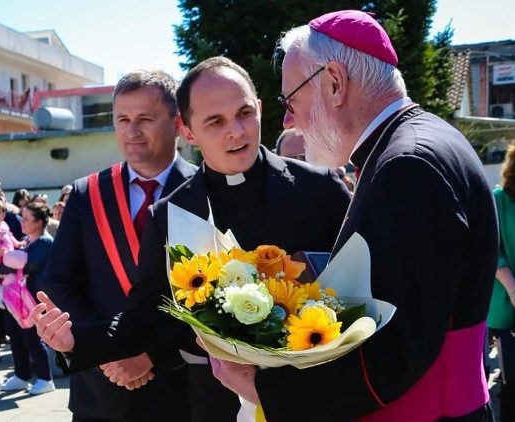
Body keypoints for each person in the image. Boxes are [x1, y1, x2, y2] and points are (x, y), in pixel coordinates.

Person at [202, 10, 498, 421]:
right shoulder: (420, 142)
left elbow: (392, 356)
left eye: (292, 100)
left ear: (336, 83)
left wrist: (259, 385)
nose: (288, 119)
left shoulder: (407, 164)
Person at [34, 58, 350, 422]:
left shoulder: (322, 191)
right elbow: (143, 316)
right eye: (215, 121)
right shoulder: (170, 212)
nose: (236, 131)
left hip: (314, 397)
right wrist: (77, 343)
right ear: (188, 131)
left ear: (260, 109)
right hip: (215, 403)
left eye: (244, 113)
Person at [41, 69, 197, 422]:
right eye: (123, 119)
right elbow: (58, 283)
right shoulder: (87, 194)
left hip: (182, 393)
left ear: (177, 123)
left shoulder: (205, 192)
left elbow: (216, 298)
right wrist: (107, 350)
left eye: (145, 119)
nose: (132, 131)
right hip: (100, 393)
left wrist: (152, 354)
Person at [0, 202, 56, 395]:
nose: (22, 222)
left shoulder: (45, 242)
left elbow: (30, 265)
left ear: (39, 222)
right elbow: (9, 265)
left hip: (32, 299)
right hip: (18, 298)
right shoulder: (28, 241)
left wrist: (9, 260)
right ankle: (21, 376)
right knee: (15, 336)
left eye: (26, 219)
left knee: (32, 338)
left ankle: (45, 378)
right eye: (22, 217)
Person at [488, 142, 515, 421]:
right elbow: (491, 249)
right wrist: (512, 286)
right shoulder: (499, 198)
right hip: (508, 305)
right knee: (511, 383)